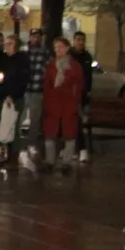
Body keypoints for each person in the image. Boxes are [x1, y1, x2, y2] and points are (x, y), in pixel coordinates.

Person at [40, 36, 84, 173]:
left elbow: (79, 84)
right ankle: (49, 160)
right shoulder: (51, 65)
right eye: (56, 47)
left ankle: (67, 162)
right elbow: (47, 84)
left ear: (67, 48)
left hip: (67, 103)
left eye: (60, 47)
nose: (58, 50)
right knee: (50, 132)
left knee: (69, 133)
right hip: (53, 103)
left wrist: (75, 101)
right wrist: (46, 101)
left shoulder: (74, 66)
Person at [0, 34, 29, 165]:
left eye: (10, 44)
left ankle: (13, 156)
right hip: (1, 98)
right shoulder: (2, 60)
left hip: (15, 99)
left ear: (16, 46)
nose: (6, 46)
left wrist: (12, 95)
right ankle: (3, 154)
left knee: (14, 126)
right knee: (2, 126)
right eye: (5, 44)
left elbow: (22, 81)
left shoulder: (22, 60)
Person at [24, 28, 49, 160]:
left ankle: (31, 144)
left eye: (38, 36)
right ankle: (13, 146)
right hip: (24, 90)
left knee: (35, 120)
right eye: (33, 36)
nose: (36, 39)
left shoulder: (45, 53)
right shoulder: (24, 52)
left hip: (38, 90)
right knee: (17, 119)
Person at [70, 32, 96, 162]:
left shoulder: (87, 56)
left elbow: (88, 76)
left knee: (78, 122)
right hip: (70, 94)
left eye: (82, 40)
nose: (80, 42)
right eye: (78, 40)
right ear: (73, 41)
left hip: (81, 95)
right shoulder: (70, 56)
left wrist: (88, 91)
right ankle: (75, 149)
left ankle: (81, 149)